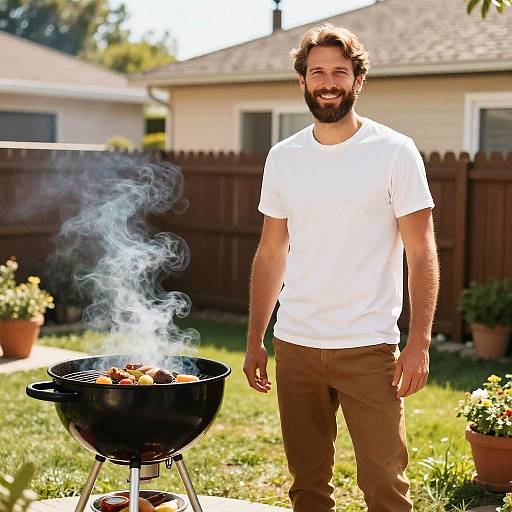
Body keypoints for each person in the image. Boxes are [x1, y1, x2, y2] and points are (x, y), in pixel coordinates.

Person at [243, 24, 439, 512]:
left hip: (369, 348)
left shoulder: (395, 151)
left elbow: (422, 251)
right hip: (296, 346)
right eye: (317, 73)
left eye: (339, 72)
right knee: (307, 488)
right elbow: (271, 252)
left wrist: (418, 342)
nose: (327, 82)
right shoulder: (283, 157)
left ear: (358, 80)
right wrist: (254, 340)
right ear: (302, 82)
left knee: (385, 487)